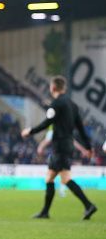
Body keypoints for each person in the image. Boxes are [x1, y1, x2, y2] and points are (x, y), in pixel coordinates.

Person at [21, 76, 97, 220]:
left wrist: (29, 131)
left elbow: (46, 123)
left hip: (60, 146)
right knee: (49, 178)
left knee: (65, 179)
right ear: (64, 88)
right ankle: (45, 212)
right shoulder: (73, 105)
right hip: (68, 145)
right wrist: (88, 147)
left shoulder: (56, 104)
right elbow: (81, 128)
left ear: (53, 88)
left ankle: (88, 205)